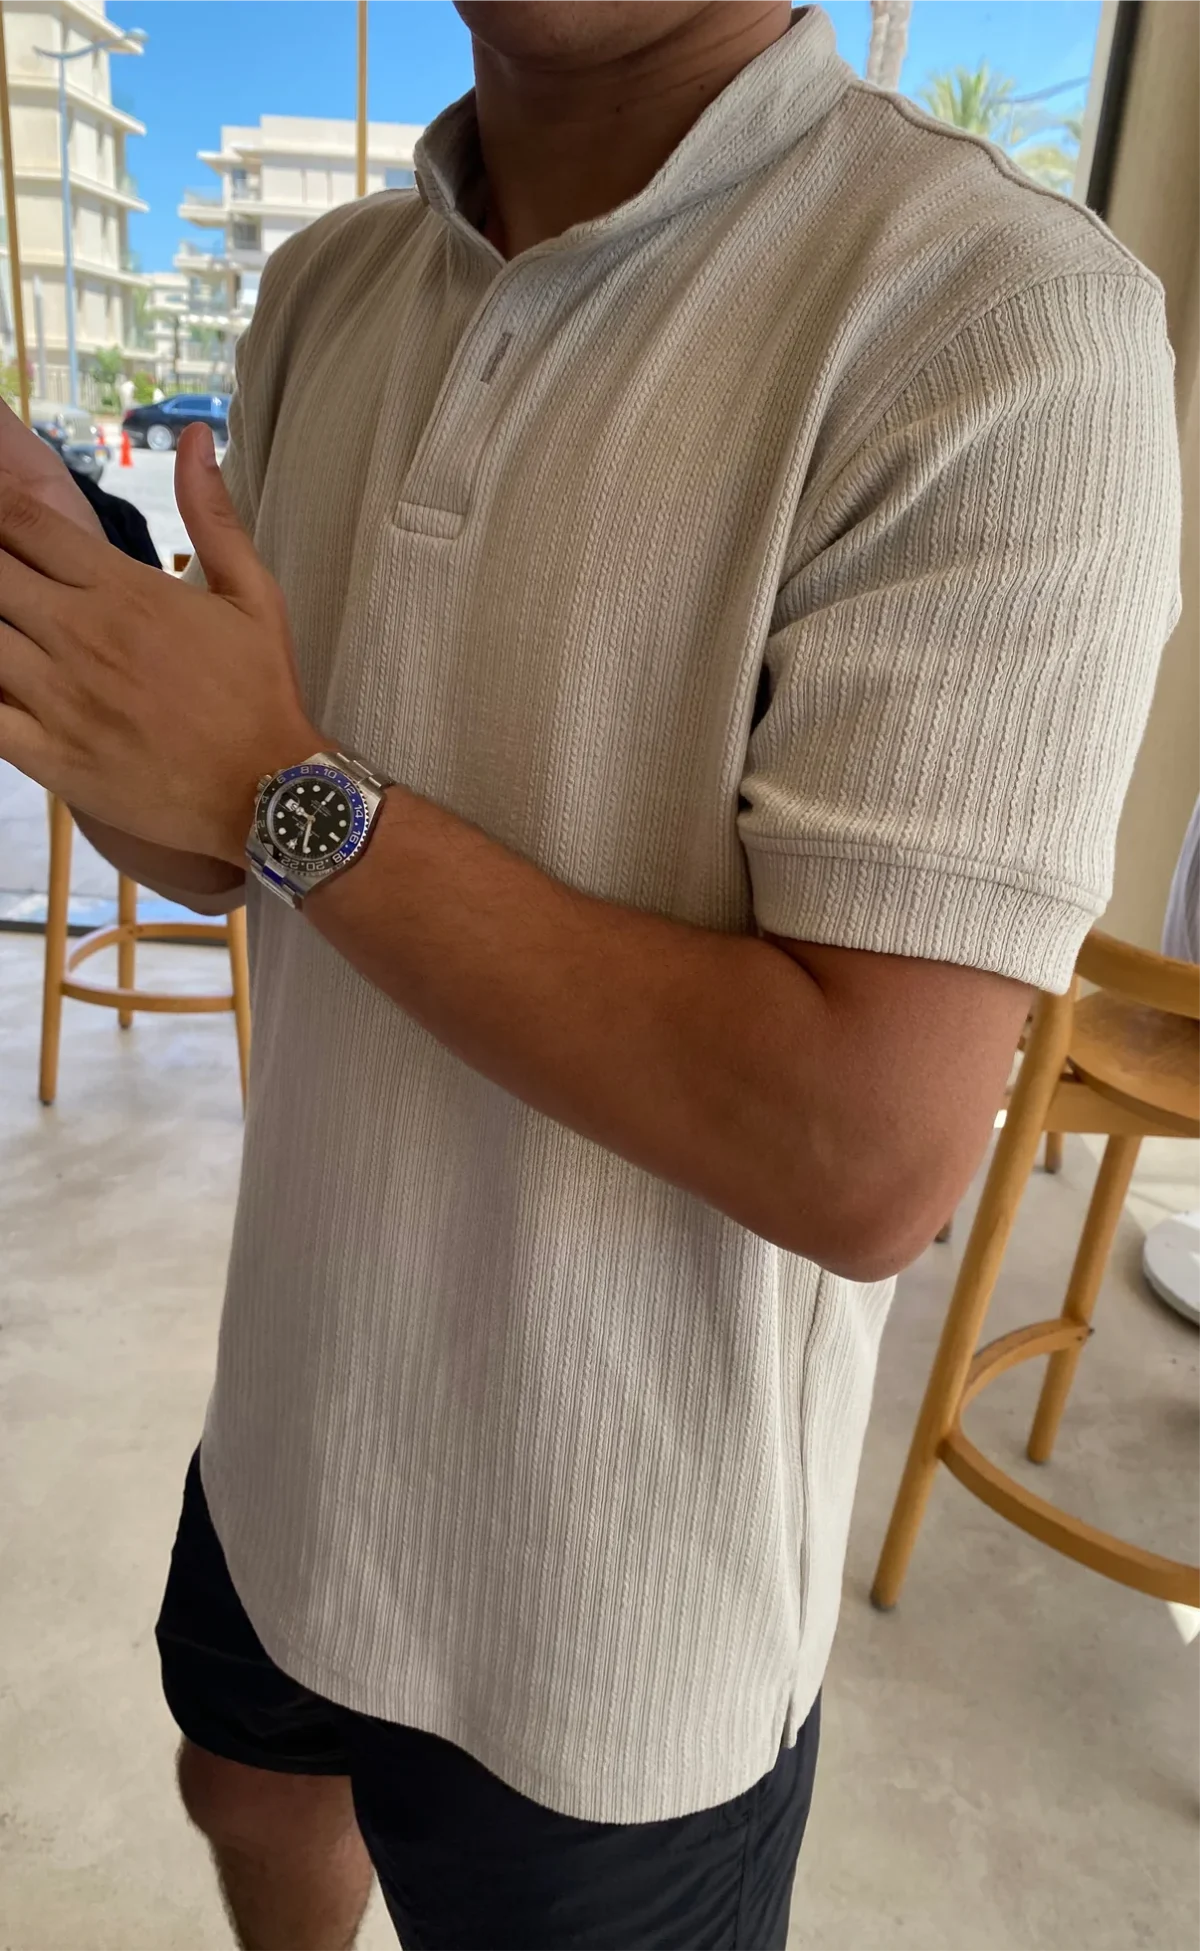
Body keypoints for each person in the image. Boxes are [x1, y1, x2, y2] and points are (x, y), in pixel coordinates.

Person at [0, 4, 1181, 1945]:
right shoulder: (325, 287)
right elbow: (224, 848)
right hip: (294, 1414)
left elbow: (856, 1149)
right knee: (245, 1781)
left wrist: (281, 788)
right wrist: (71, 629)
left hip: (623, 1592)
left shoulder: (997, 318)